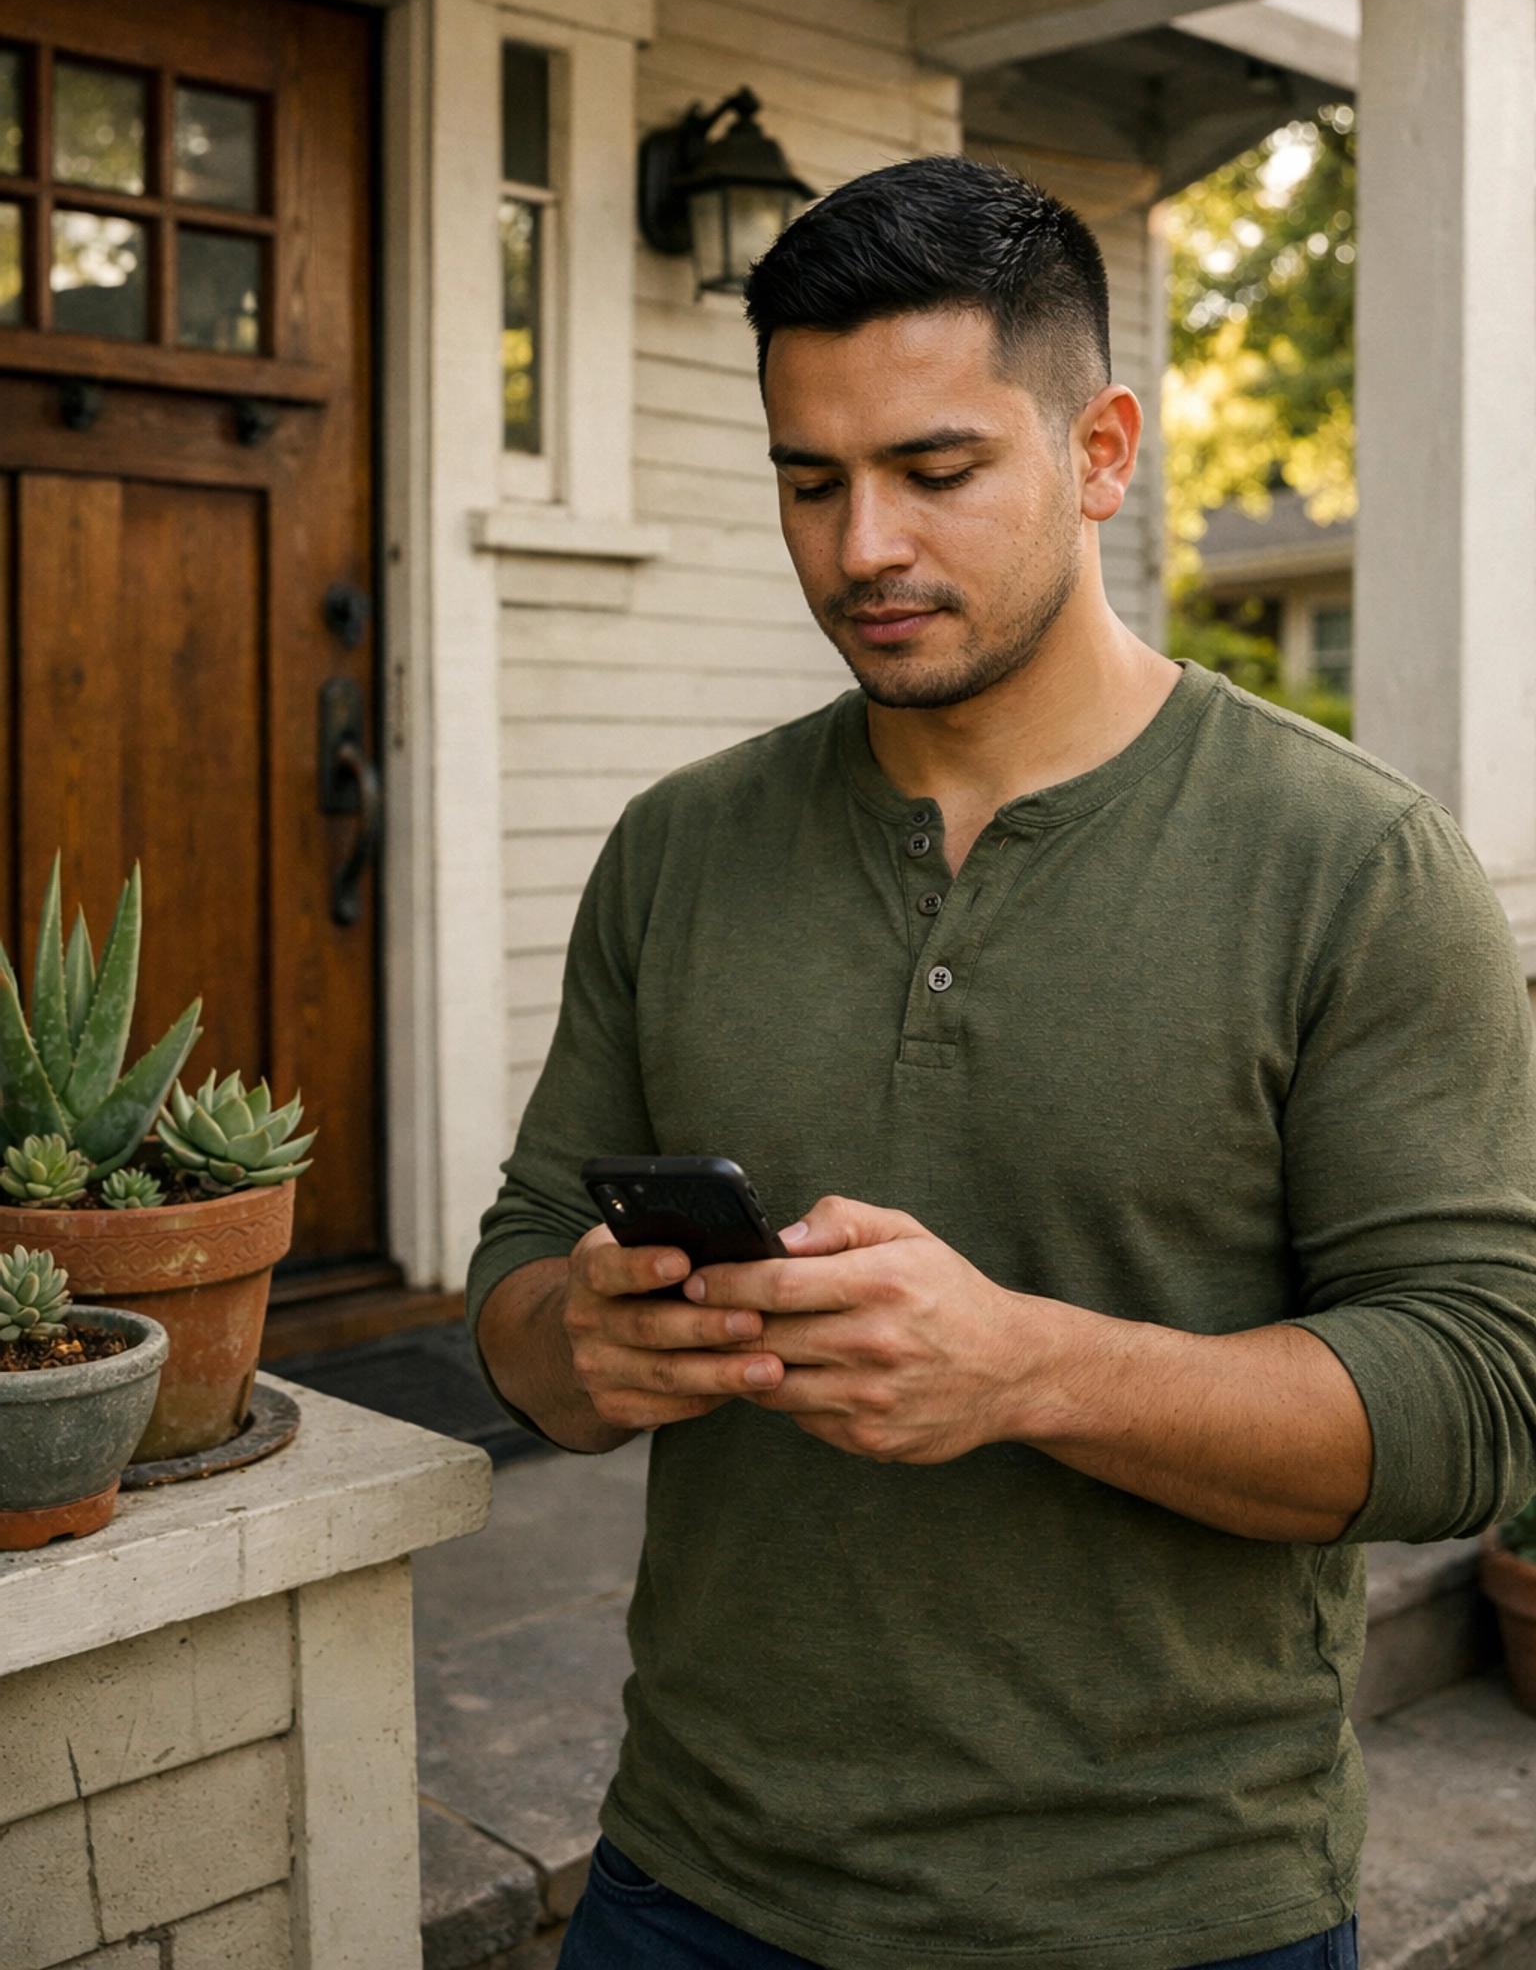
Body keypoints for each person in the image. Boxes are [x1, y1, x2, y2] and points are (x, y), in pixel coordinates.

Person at [469, 157, 1536, 1970]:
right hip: (693, 1884)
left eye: (935, 472)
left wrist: (1029, 1370)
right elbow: (514, 1277)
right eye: (812, 483)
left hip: (1171, 1911)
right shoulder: (678, 847)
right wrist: (580, 1340)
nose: (861, 545)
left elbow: (1475, 1405)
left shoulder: (1352, 865)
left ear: (1101, 450)